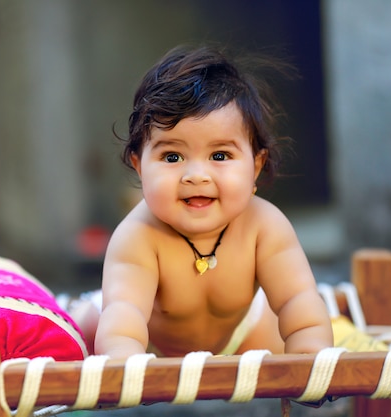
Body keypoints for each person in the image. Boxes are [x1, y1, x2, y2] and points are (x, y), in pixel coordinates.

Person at [71, 44, 333, 359]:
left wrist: (311, 355)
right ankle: (71, 310)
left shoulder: (265, 225)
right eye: (172, 156)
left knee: (293, 326)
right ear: (140, 166)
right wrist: (123, 361)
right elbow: (124, 316)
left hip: (242, 331)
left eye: (219, 155)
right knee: (82, 332)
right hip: (146, 342)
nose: (196, 175)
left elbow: (298, 299)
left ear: (256, 166)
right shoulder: (138, 235)